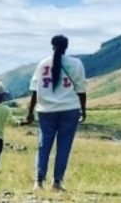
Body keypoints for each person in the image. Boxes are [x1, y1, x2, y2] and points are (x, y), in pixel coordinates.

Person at [25, 34, 87, 191]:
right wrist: (83, 110)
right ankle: (57, 182)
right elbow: (81, 89)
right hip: (69, 109)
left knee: (43, 145)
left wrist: (30, 112)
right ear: (67, 47)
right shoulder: (76, 63)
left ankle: (38, 182)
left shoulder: (42, 64)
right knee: (64, 146)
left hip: (46, 110)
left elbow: (34, 90)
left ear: (52, 46)